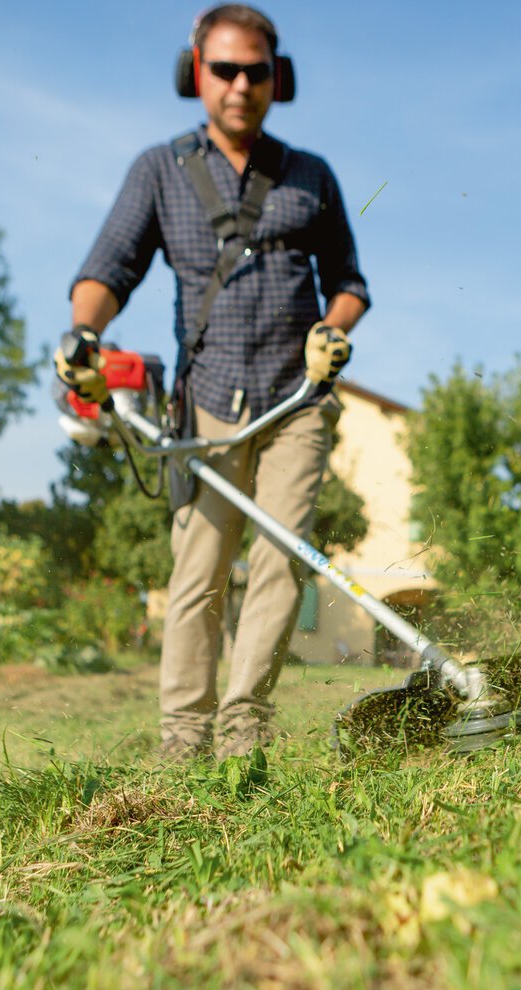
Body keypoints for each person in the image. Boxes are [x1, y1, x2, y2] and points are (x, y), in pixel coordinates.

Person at [56, 4, 369, 761]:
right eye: (224, 70)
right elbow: (108, 271)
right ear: (195, 73)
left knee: (280, 557)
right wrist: (84, 334)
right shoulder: (159, 170)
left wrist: (334, 330)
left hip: (296, 398)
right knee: (196, 573)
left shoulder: (310, 175)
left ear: (276, 79)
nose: (239, 85)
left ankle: (242, 731)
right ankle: (183, 736)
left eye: (255, 71)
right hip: (205, 402)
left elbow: (350, 281)